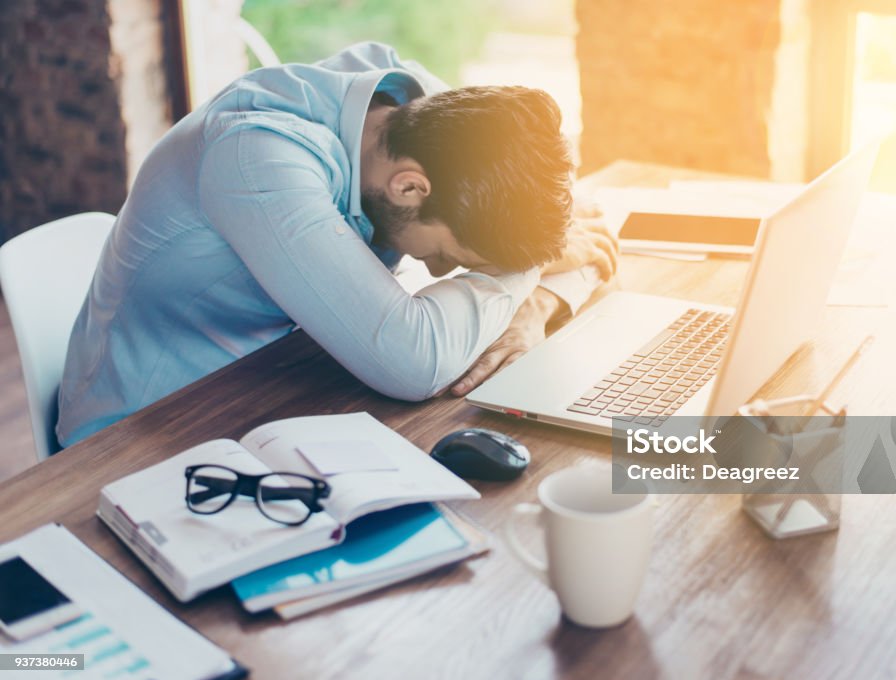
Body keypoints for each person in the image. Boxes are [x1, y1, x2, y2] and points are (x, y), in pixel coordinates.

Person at [56, 41, 616, 447]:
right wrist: (524, 270)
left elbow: (583, 223)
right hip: (145, 437)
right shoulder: (257, 158)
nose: (442, 269)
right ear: (409, 187)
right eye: (455, 254)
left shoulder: (413, 114)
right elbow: (411, 362)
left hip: (282, 387)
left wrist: (535, 299)